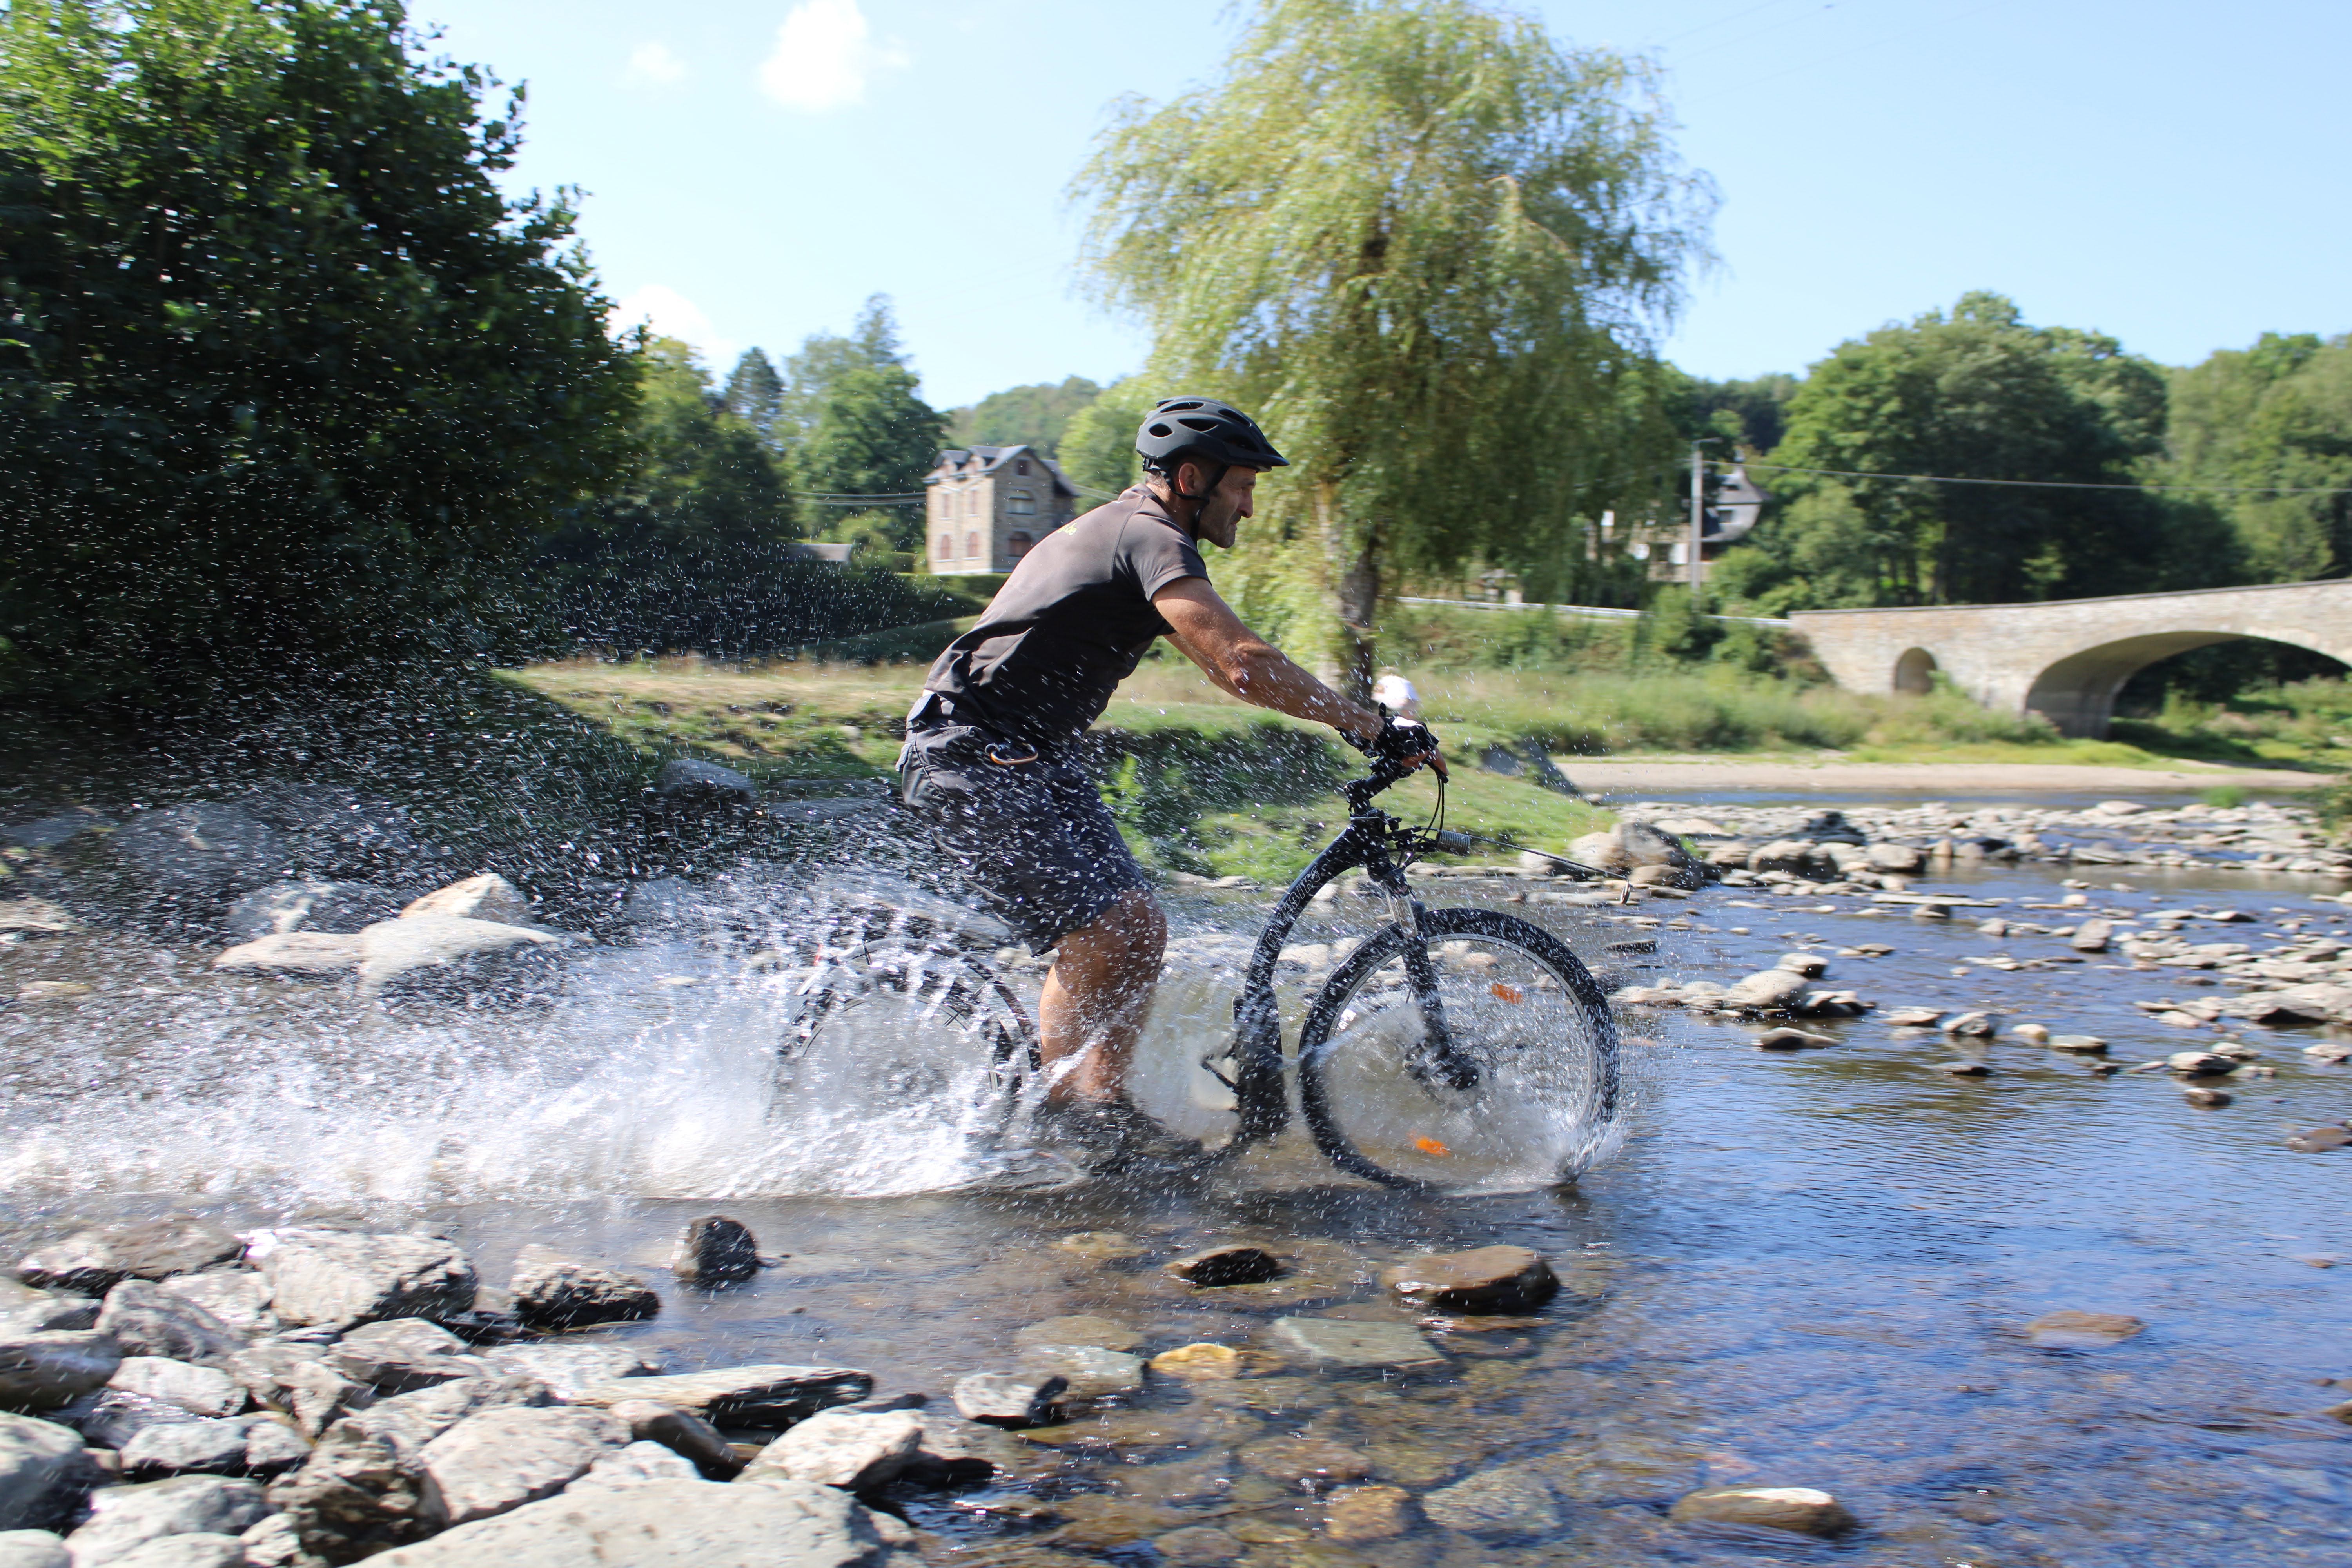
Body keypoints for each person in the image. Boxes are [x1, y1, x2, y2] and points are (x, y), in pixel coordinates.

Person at [898, 396, 1441, 1173]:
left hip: (1029, 753)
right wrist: (1365, 724)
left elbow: (1224, 663)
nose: (1250, 505)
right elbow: (1243, 663)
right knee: (1101, 927)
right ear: (1192, 477)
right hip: (968, 751)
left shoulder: (1141, 538)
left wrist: (1349, 717)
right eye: (1242, 486)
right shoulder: (1146, 535)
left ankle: (1102, 1111)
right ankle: (1065, 1114)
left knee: (1143, 925)